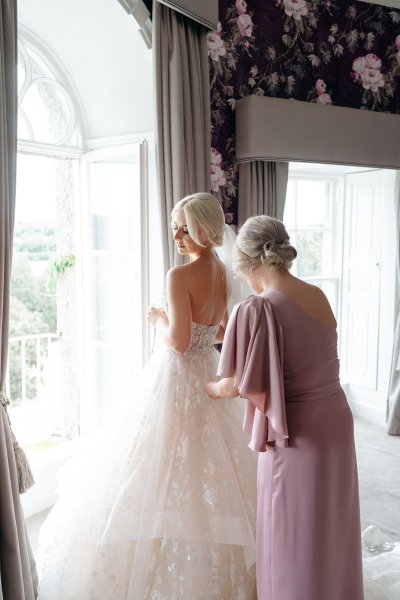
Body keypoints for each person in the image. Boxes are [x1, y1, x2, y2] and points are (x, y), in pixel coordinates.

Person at [36, 192, 257, 599]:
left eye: (185, 228)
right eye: (175, 226)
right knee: (209, 465)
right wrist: (200, 333)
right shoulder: (224, 272)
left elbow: (177, 341)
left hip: (176, 378)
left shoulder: (179, 276)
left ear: (205, 231)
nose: (177, 235)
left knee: (153, 464)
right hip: (208, 370)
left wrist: (160, 319)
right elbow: (222, 332)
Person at [205, 215, 364, 600]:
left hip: (295, 429)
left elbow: (237, 385)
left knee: (289, 526)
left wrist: (209, 387)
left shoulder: (258, 307)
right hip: (335, 419)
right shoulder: (317, 294)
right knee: (330, 519)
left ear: (249, 262)